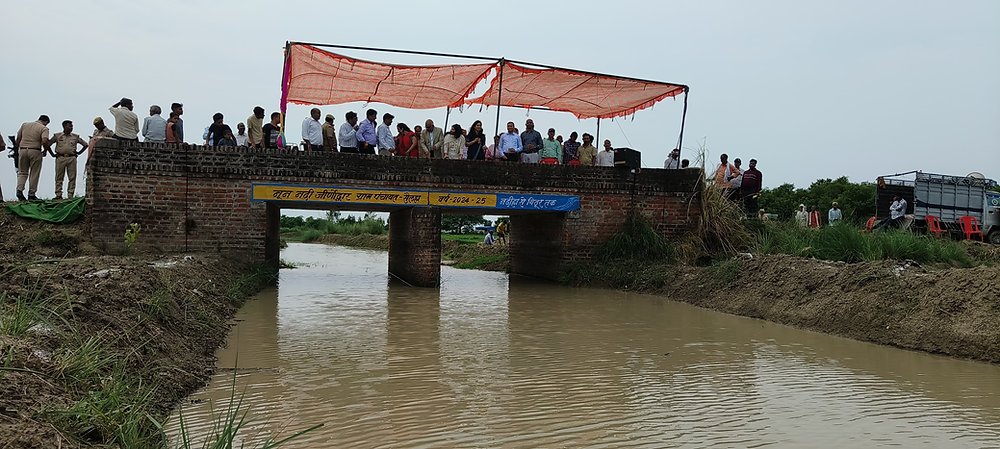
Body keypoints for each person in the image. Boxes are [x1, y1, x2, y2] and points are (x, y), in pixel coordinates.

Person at [14, 115, 52, 201]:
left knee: (22, 172)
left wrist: (17, 150)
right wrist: (45, 150)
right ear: (45, 122)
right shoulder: (43, 128)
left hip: (23, 150)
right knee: (34, 173)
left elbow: (18, 138)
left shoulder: (25, 125)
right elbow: (45, 140)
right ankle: (31, 194)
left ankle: (19, 190)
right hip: (35, 150)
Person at [51, 120, 88, 199]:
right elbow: (48, 144)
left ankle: (70, 195)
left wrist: (78, 153)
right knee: (59, 177)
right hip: (60, 157)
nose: (71, 128)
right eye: (69, 126)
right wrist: (52, 154)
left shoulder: (75, 136)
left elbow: (85, 145)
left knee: (72, 177)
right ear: (64, 126)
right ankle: (58, 194)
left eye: (72, 126)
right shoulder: (57, 136)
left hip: (71, 158)